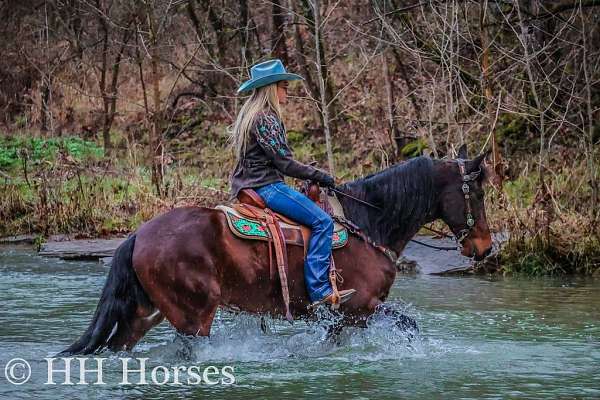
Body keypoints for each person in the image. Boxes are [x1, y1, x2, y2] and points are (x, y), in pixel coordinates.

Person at [228, 59, 356, 307]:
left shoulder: (250, 117)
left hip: (249, 185)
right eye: (284, 86)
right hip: (267, 186)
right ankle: (319, 289)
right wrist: (321, 176)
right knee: (322, 221)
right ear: (272, 89)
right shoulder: (266, 119)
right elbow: (285, 164)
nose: (286, 91)